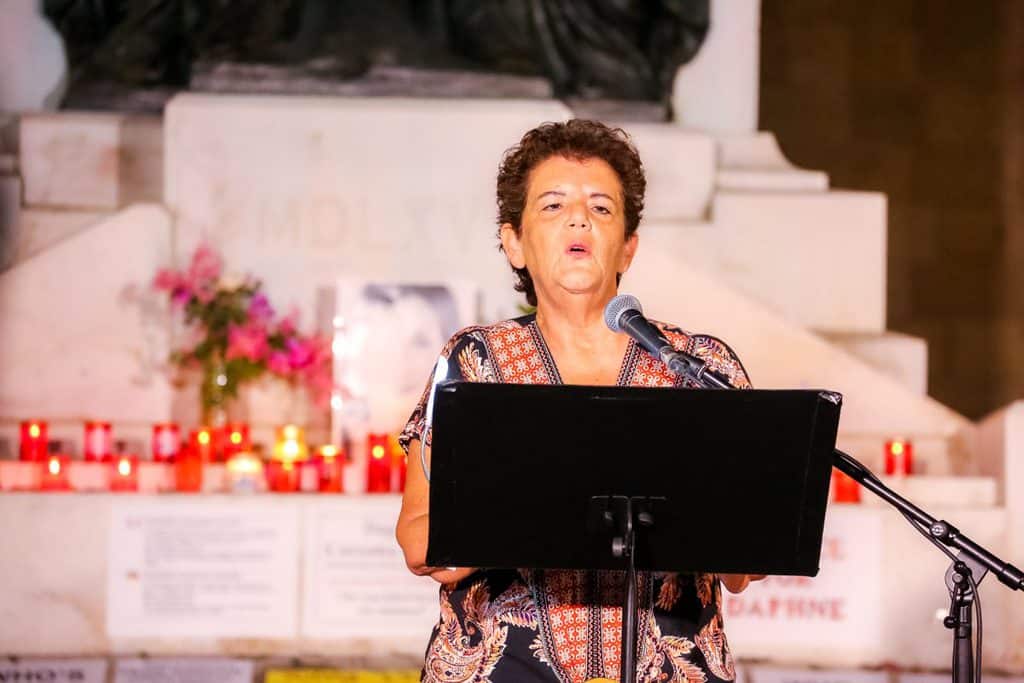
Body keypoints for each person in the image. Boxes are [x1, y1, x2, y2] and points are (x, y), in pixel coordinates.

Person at [396, 119, 763, 683]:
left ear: (628, 248)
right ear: (514, 242)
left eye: (600, 207)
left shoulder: (700, 368)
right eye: (553, 205)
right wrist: (534, 513)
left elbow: (745, 565)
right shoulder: (473, 363)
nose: (578, 219)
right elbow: (419, 540)